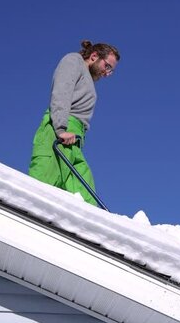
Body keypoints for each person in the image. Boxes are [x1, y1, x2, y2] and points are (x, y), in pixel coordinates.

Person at [28, 40, 120, 206]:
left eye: (111, 71)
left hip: (73, 140)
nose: (107, 73)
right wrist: (61, 129)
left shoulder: (88, 79)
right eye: (107, 67)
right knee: (42, 188)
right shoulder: (73, 61)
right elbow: (62, 92)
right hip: (57, 133)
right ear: (94, 56)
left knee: (86, 197)